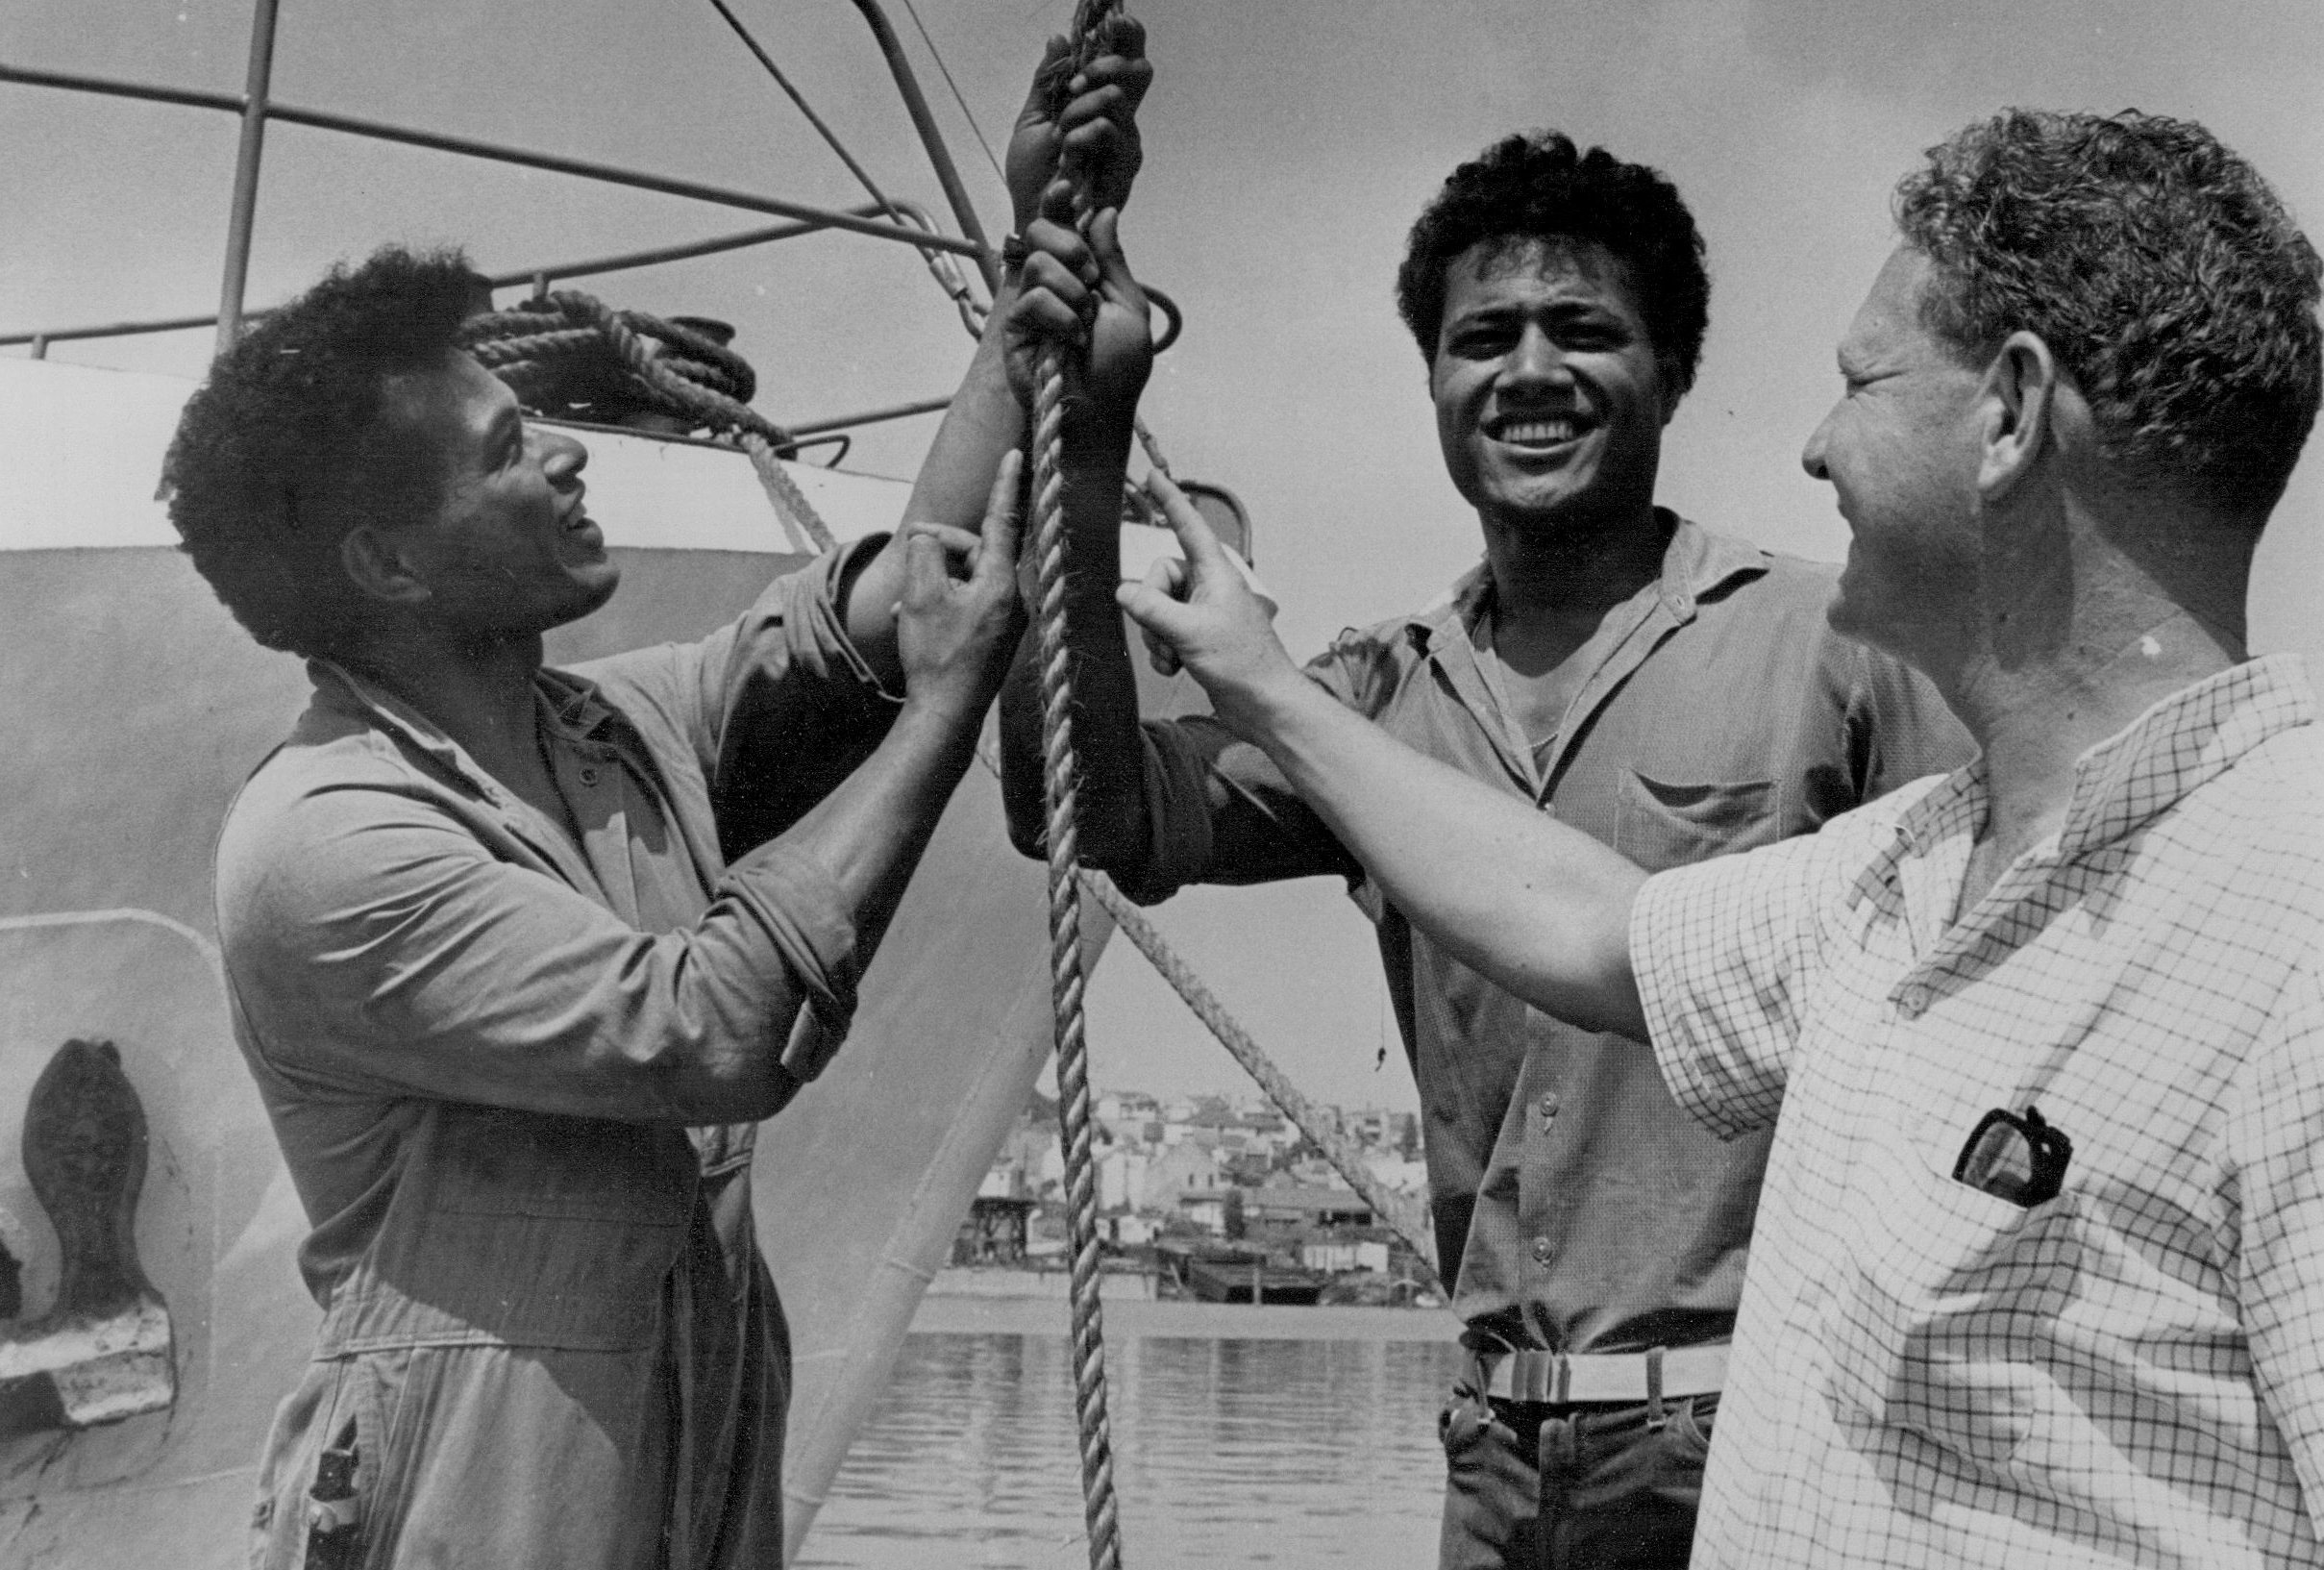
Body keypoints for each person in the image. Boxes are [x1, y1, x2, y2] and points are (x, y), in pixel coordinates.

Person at [1113, 109, 2324, 1567]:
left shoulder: (2289, 929)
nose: (1811, 447)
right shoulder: (1896, 881)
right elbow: (1585, 928)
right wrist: (1250, 671)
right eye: (1482, 338)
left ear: (2008, 412)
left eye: (1858, 385)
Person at [168, 30, 1150, 1569]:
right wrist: (947, 709)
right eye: (510, 449)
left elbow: (896, 605)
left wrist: (1026, 276)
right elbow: (708, 1028)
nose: (567, 455)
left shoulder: (611, 733)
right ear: (388, 563)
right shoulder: (321, 841)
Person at [1001, 131, 1967, 1566]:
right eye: (1482, 339)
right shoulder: (1372, 700)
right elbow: (1081, 802)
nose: (1529, 371)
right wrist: (1087, 431)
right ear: (1435, 385)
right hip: (1496, 1467)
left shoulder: (1837, 650)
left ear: (1672, 373)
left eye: (1584, 331)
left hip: (1772, 1443)